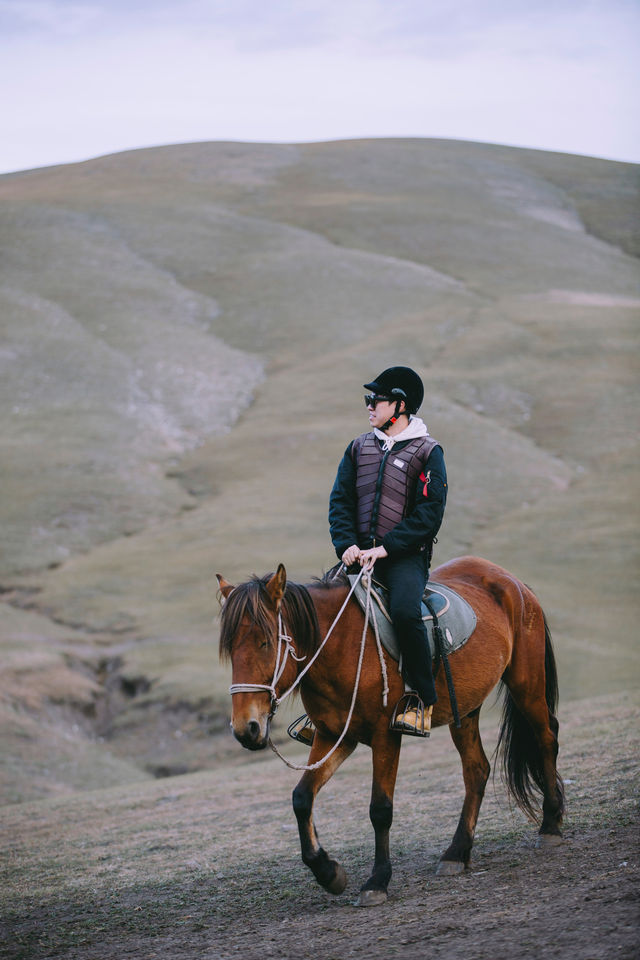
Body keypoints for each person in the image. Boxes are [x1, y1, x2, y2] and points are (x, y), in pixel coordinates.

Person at [328, 366, 447, 736]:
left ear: (399, 404)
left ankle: (423, 701)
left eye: (374, 400)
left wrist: (386, 549)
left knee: (405, 612)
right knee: (321, 608)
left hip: (404, 558)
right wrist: (345, 544)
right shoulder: (357, 447)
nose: (368, 406)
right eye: (368, 400)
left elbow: (430, 514)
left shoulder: (429, 452)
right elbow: (340, 501)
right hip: (357, 555)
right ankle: (324, 710)